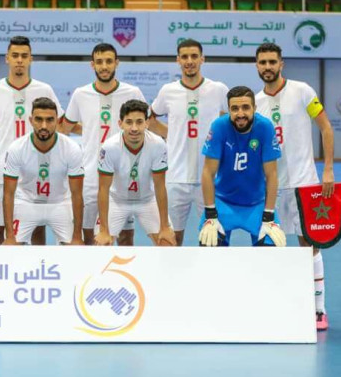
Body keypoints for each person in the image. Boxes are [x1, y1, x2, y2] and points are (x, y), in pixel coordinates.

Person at [254, 42, 335, 331]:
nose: (267, 67)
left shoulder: (303, 91)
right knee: (270, 246)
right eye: (262, 62)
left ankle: (318, 310)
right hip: (271, 188)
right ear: (256, 66)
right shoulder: (254, 102)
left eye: (272, 62)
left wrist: (327, 169)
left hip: (304, 183)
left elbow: (326, 127)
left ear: (281, 63)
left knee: (309, 246)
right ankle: (277, 305)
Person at [59, 42, 147, 245]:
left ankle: (124, 275)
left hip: (124, 175)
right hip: (90, 174)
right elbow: (66, 127)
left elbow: (145, 125)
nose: (104, 66)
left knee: (125, 237)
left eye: (108, 61)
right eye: (99, 62)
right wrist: (90, 129)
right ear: (92, 65)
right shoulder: (81, 94)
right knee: (89, 235)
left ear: (117, 63)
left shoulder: (132, 92)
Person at [0, 36, 63, 245]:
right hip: (2, 167)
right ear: (7, 58)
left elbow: (57, 124)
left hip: (35, 169)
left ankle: (39, 270)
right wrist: (2, 143)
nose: (19, 60)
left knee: (37, 225)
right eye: (15, 55)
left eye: (24, 56)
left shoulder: (44, 89)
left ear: (31, 59)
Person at [148, 39, 229, 245]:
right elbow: (150, 119)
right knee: (170, 240)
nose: (189, 61)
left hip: (209, 178)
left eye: (194, 56)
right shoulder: (168, 91)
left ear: (203, 59)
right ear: (178, 60)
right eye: (184, 57)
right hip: (176, 177)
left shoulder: (218, 89)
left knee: (212, 240)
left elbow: (236, 120)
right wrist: (172, 133)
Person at [199, 86, 284, 249]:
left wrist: (269, 215)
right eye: (234, 108)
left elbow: (272, 175)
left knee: (272, 250)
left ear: (255, 108)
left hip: (257, 203)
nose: (240, 114)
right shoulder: (219, 126)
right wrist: (210, 213)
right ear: (229, 110)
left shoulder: (265, 127)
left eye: (246, 107)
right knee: (209, 248)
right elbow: (208, 173)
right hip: (223, 201)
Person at [3, 99, 84, 245]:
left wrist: (77, 236)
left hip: (59, 203)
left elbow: (77, 194)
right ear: (30, 120)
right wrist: (9, 236)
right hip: (27, 202)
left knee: (75, 249)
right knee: (10, 248)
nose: (44, 126)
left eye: (49, 120)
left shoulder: (72, 148)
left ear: (57, 121)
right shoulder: (16, 148)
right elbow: (8, 194)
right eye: (39, 120)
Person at [95, 100, 175, 246]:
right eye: (129, 122)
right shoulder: (109, 147)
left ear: (147, 123)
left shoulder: (158, 144)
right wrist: (104, 230)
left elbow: (160, 187)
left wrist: (164, 227)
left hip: (147, 200)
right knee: (101, 244)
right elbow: (103, 189)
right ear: (120, 124)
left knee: (167, 242)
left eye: (139, 122)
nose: (134, 128)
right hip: (117, 200)